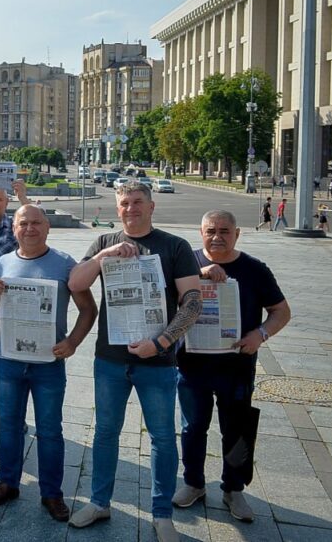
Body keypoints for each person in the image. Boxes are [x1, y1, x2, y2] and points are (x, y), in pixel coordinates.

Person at [67, 181, 202, 542]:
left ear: (151, 206)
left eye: (138, 202)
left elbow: (193, 301)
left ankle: (162, 514)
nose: (131, 208)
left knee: (161, 438)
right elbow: (75, 282)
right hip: (110, 360)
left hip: (156, 361)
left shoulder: (174, 246)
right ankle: (99, 502)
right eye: (124, 203)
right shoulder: (104, 243)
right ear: (117, 207)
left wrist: (161, 342)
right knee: (106, 434)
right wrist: (100, 259)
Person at [0, 205, 98, 522]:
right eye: (22, 223)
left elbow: (89, 309)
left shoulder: (64, 263)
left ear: (47, 227)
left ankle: (52, 493)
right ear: (13, 228)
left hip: (48, 362)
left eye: (36, 223)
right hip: (9, 361)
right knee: (9, 426)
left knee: (49, 430)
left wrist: (73, 342)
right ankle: (8, 482)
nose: (29, 228)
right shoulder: (2, 263)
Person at [173, 210, 291, 522]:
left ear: (237, 234)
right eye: (211, 230)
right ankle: (194, 483)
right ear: (201, 232)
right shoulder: (185, 264)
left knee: (236, 430)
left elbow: (281, 311)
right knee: (193, 427)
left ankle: (233, 489)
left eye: (225, 231)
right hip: (192, 366)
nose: (217, 237)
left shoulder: (254, 269)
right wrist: (201, 271)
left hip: (237, 366)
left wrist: (261, 334)